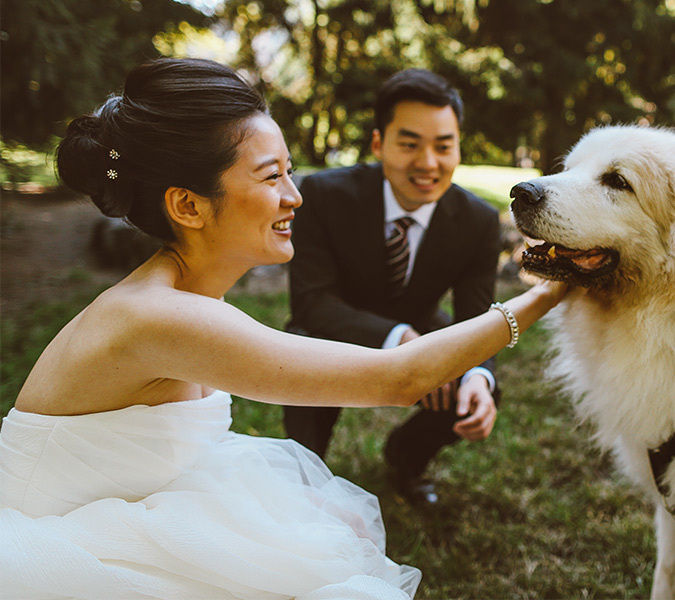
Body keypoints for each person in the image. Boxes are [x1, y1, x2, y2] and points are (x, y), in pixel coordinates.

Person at [0, 58, 566, 600]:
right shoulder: (158, 316)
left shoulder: (180, 295)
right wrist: (548, 292)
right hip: (57, 543)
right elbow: (398, 380)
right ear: (189, 206)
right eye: (272, 177)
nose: (295, 196)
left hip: (129, 500)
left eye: (289, 172)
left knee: (328, 532)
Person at [285, 69, 500, 506]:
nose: (428, 163)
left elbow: (476, 319)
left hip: (420, 320)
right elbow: (311, 302)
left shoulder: (479, 220)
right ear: (379, 143)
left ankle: (406, 458)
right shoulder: (323, 194)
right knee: (302, 344)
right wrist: (400, 341)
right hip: (334, 326)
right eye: (409, 144)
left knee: (478, 379)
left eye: (443, 146)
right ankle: (307, 471)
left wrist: (478, 375)